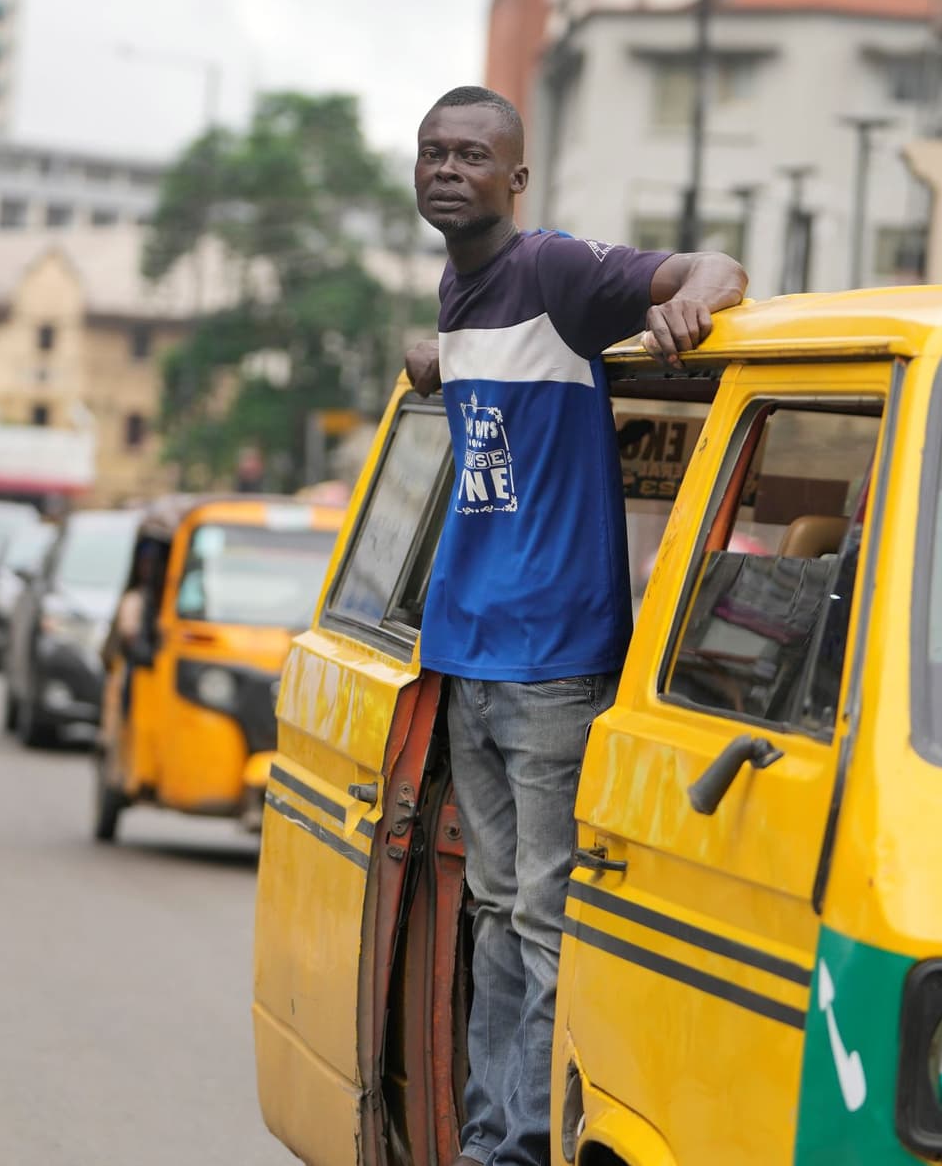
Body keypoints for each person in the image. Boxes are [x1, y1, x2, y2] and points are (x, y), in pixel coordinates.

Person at [406, 86, 747, 1166]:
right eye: (433, 153)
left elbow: (717, 267)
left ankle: (521, 1145)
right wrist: (433, 357)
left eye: (472, 155)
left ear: (516, 178)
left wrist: (692, 304)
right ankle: (491, 1137)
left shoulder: (553, 270)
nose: (447, 169)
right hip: (468, 652)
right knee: (493, 908)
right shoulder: (459, 290)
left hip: (552, 660)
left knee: (542, 920)